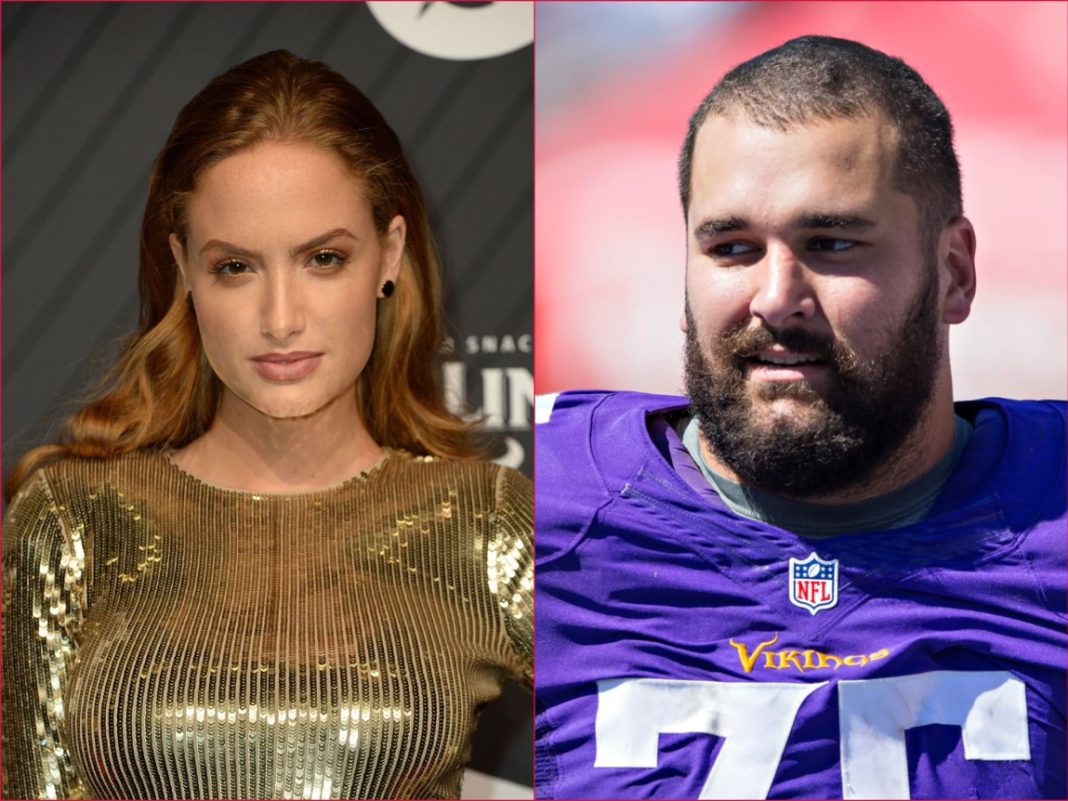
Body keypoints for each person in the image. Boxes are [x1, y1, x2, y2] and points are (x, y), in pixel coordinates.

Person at [534, 35, 1065, 800]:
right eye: (731, 247)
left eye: (833, 242)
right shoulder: (529, 491)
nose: (776, 297)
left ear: (954, 272)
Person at [2, 50, 532, 800]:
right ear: (183, 266)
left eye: (323, 258)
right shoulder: (74, 520)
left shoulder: (487, 522)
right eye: (235, 267)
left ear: (390, 253)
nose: (280, 320)